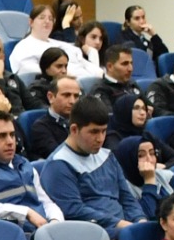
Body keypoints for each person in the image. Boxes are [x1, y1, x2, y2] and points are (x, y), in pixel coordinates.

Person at [33, 99, 139, 232]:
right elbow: (74, 211)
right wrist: (121, 224)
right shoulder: (58, 164)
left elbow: (127, 197)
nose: (100, 139)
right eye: (94, 132)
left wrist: (140, 220)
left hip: (122, 227)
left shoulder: (107, 155)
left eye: (104, 131)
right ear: (74, 129)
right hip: (93, 233)